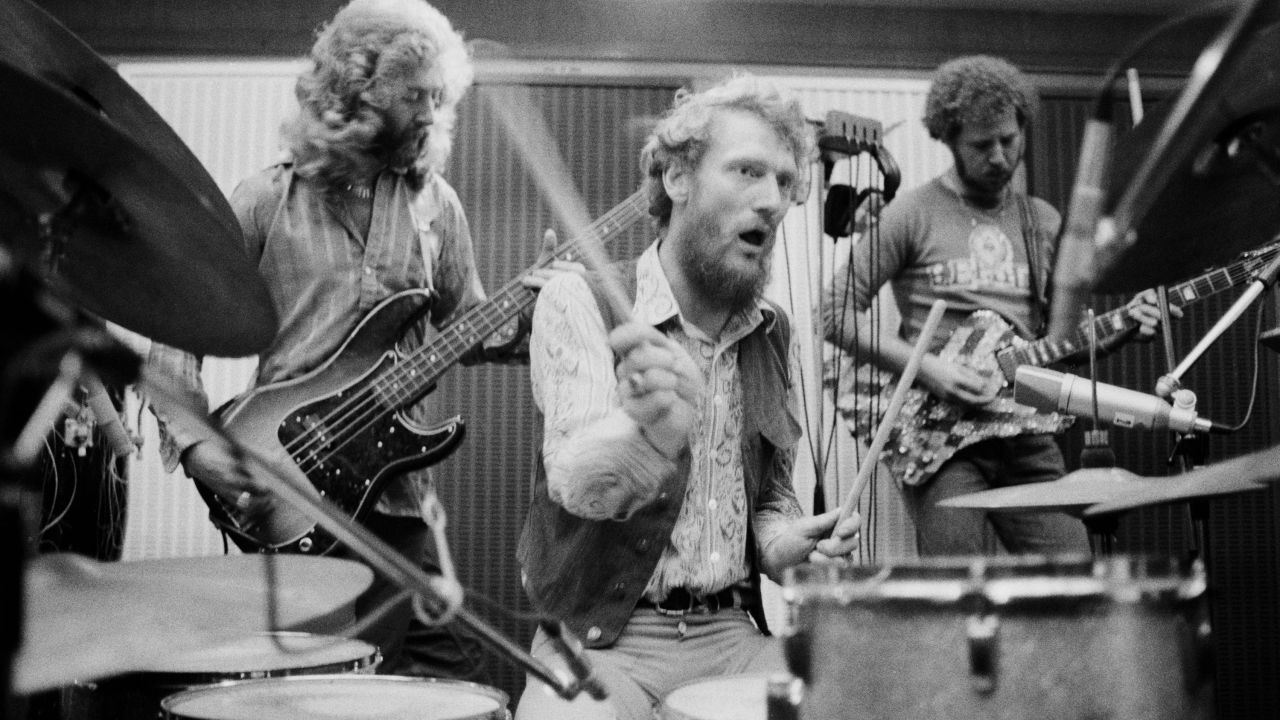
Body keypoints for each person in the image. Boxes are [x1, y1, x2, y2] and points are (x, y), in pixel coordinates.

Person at [148, 0, 576, 682]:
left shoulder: (439, 205)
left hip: (396, 489)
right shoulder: (264, 200)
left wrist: (540, 311)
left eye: (440, 96)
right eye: (414, 96)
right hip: (286, 481)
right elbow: (176, 332)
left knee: (431, 682)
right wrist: (197, 442)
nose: (433, 115)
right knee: (310, 687)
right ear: (354, 95)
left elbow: (472, 326)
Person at [514, 74, 862, 720]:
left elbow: (771, 498)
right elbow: (575, 486)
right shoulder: (580, 300)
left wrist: (786, 545)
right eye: (748, 172)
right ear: (677, 180)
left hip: (733, 636)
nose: (772, 202)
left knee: (849, 703)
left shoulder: (771, 331)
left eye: (785, 183)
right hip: (603, 643)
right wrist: (644, 435)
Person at [823, 55, 1175, 556]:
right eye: (981, 145)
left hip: (1024, 430)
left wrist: (1118, 330)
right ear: (949, 140)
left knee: (1071, 574)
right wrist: (928, 368)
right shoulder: (912, 213)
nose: (999, 156)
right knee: (958, 585)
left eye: (1009, 140)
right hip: (941, 436)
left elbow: (1057, 346)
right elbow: (834, 312)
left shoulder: (1044, 223)